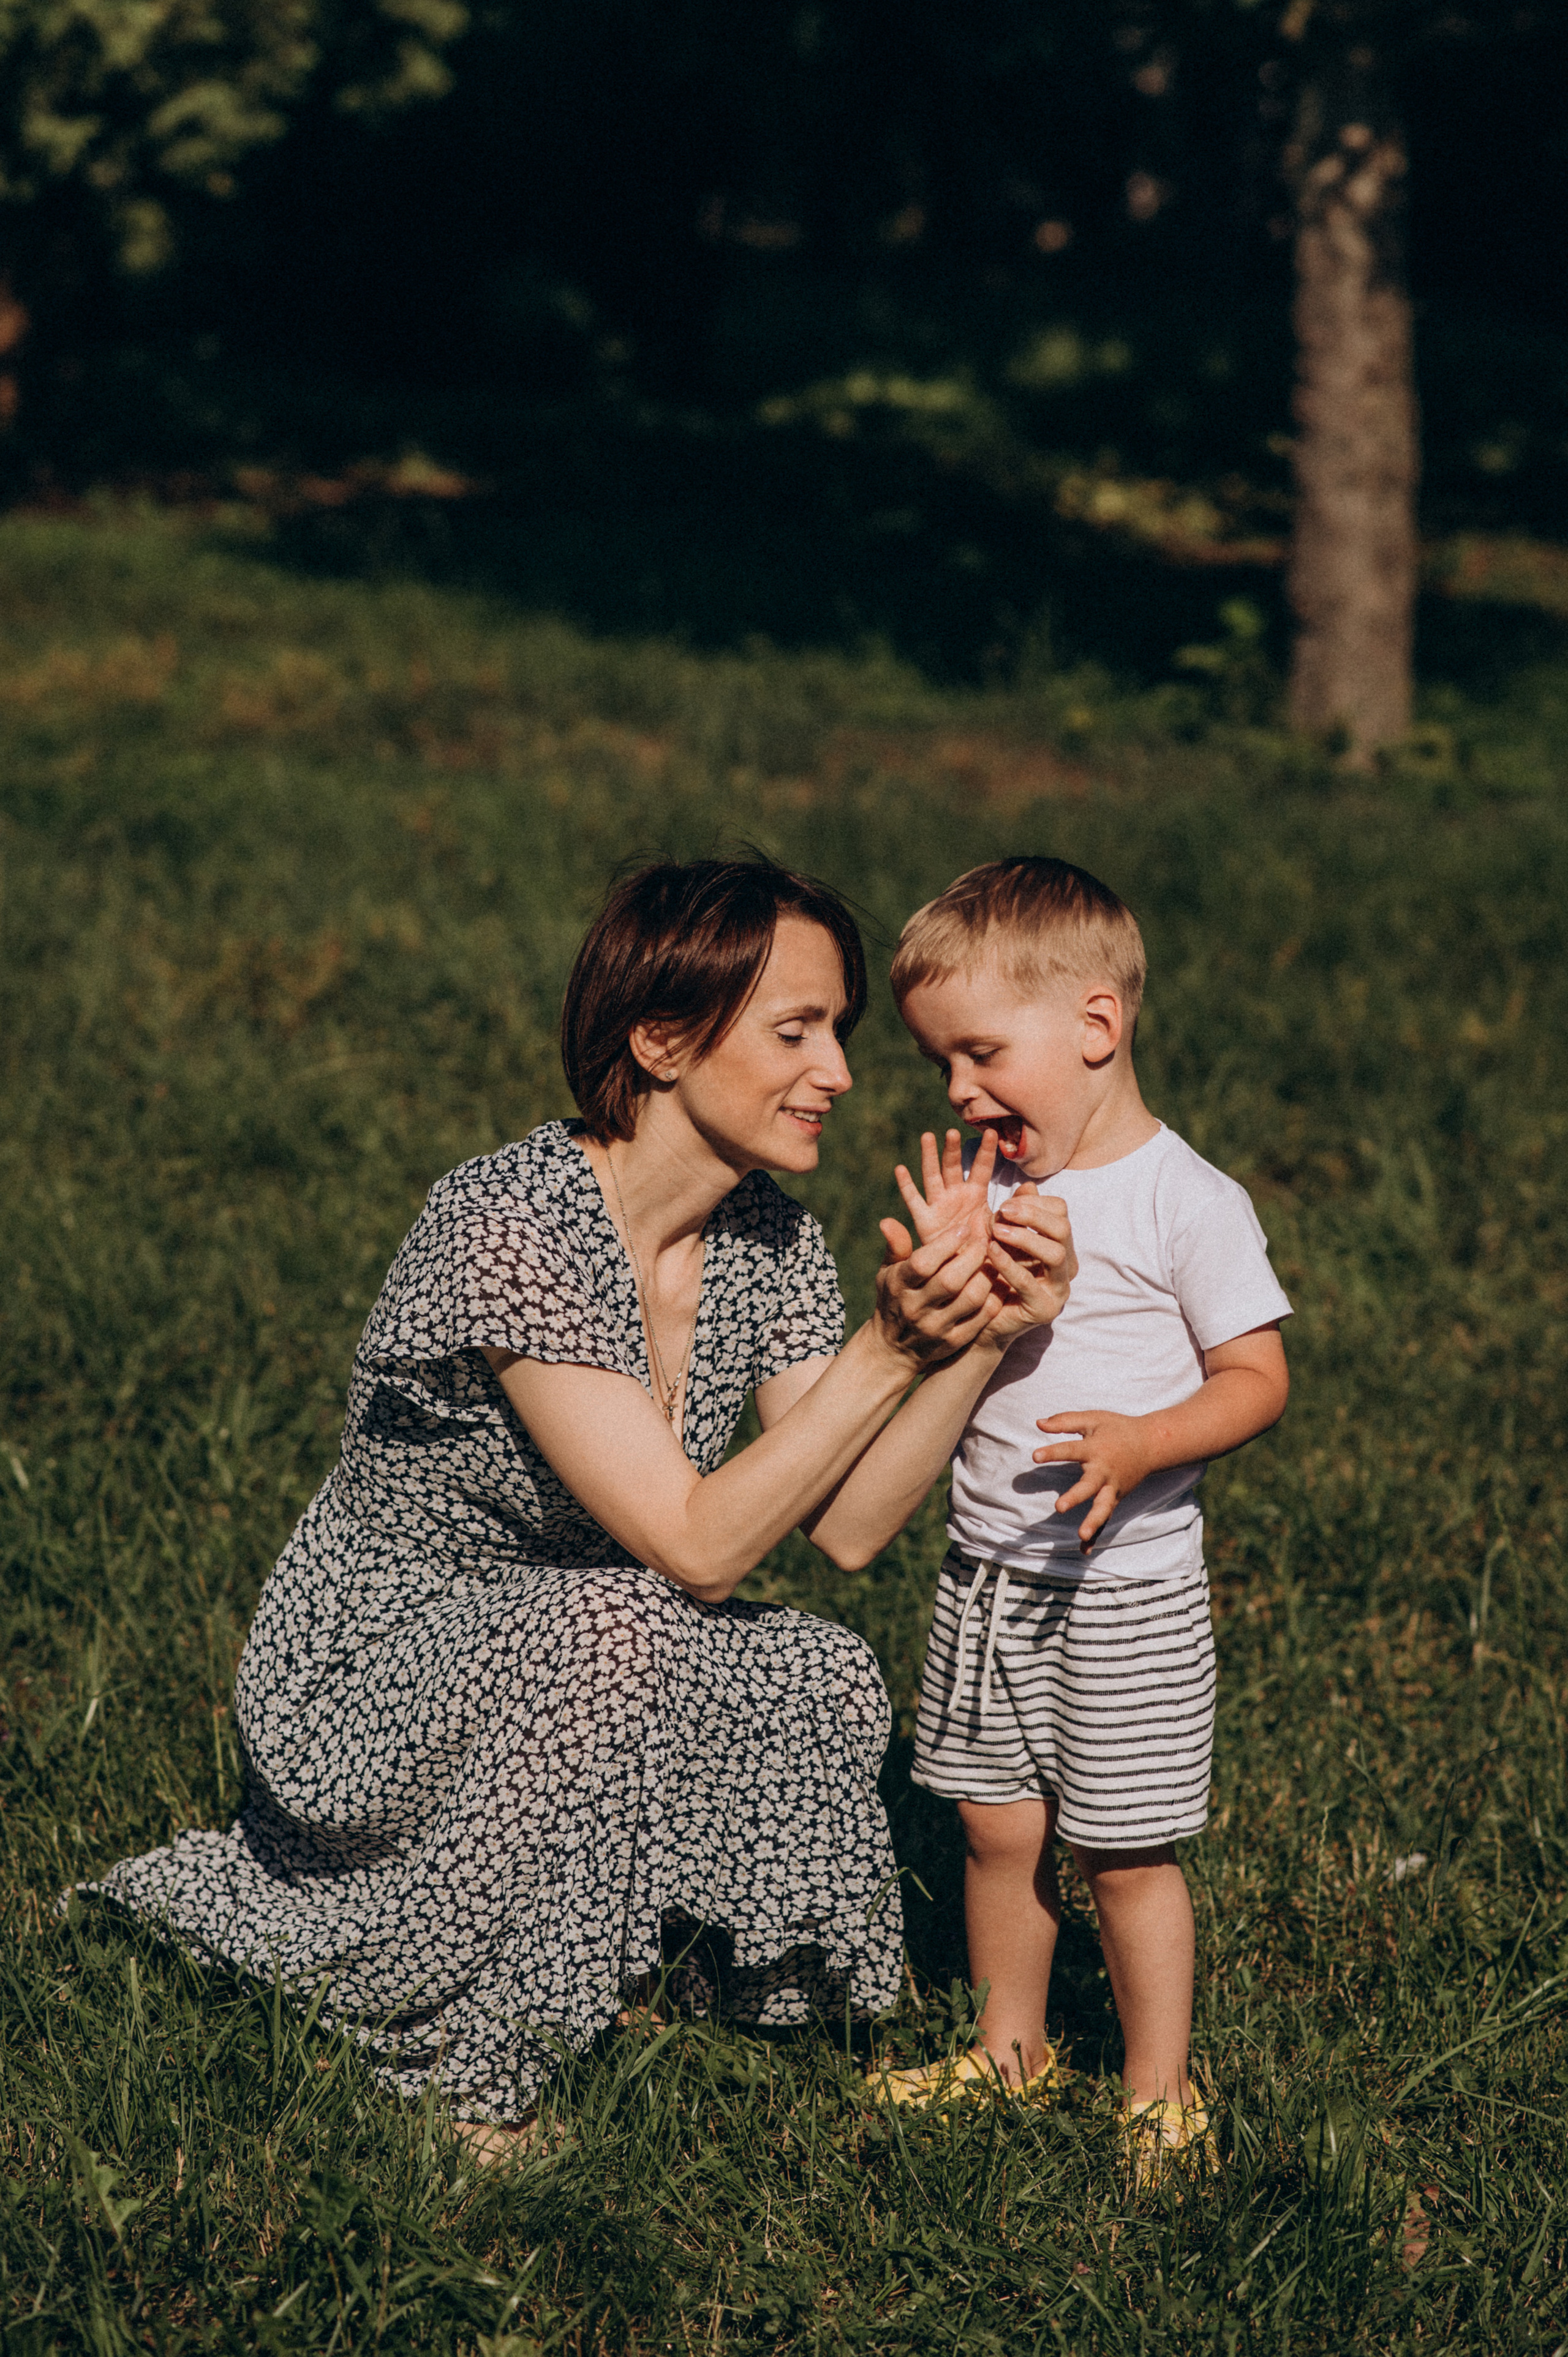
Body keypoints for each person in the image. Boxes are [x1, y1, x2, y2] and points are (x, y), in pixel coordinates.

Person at [88, 857, 1075, 2142]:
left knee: (819, 1671)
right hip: (388, 1661)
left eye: (836, 1029)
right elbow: (698, 1546)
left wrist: (983, 1335)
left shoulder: (765, 1237)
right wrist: (885, 1351)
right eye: (795, 1030)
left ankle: (668, 1970)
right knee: (614, 1627)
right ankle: (464, 2068)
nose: (836, 1071)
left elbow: (845, 1525)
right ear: (661, 1039)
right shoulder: (508, 1222)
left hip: (587, 1623)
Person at [873, 855, 1291, 2170]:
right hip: (987, 1575)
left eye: (983, 1052)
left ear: (1095, 1027)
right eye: (941, 1062)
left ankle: (1159, 2087)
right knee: (995, 1828)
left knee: (1120, 1848)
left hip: (1125, 1591)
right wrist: (938, 1275)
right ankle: (1013, 2046)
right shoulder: (994, 1185)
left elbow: (1257, 1379)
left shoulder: (1186, 1200)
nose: (958, 1089)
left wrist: (1145, 1439)